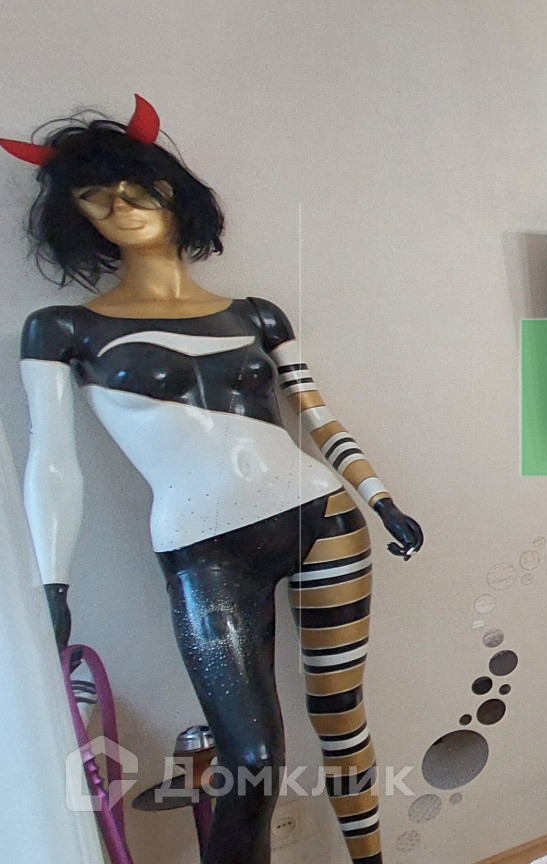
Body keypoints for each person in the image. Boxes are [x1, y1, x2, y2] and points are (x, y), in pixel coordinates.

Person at [6, 97, 422, 864]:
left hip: (324, 519)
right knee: (251, 761)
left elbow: (317, 417)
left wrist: (381, 499)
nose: (121, 206)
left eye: (136, 186)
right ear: (74, 216)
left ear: (173, 191)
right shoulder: (64, 330)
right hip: (205, 548)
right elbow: (51, 464)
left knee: (343, 720)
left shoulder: (258, 315)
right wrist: (50, 588)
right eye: (95, 196)